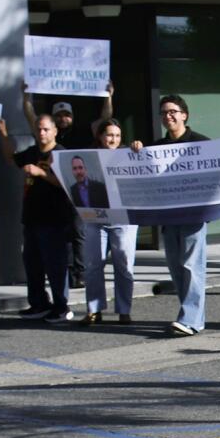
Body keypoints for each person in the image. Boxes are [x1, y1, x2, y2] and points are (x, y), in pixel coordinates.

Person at [131, 94, 220, 336]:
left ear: (184, 115)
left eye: (172, 111)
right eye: (163, 113)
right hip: (169, 218)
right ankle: (192, 315)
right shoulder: (156, 148)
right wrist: (136, 151)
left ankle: (190, 319)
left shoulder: (202, 144)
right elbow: (140, 173)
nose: (168, 116)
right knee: (176, 267)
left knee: (192, 265)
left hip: (194, 216)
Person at [23, 82, 115, 288]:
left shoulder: (82, 133)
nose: (64, 118)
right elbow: (31, 118)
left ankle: (80, 273)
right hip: (56, 190)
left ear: (72, 117)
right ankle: (66, 270)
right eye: (59, 115)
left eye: (67, 115)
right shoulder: (48, 135)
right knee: (62, 233)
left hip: (79, 187)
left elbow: (104, 120)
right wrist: (26, 96)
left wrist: (108, 97)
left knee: (79, 231)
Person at [1, 114, 75, 324]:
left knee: (55, 264)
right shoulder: (32, 153)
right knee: (32, 264)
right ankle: (39, 303)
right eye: (38, 129)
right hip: (32, 217)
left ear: (54, 131)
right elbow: (10, 158)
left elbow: (68, 184)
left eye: (45, 129)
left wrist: (41, 174)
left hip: (54, 218)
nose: (41, 133)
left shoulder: (61, 154)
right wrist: (4, 134)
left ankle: (62, 306)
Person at [79, 119, 136, 326]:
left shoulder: (128, 155)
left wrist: (137, 150)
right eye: (109, 135)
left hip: (123, 218)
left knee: (123, 264)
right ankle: (94, 310)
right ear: (100, 136)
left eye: (117, 135)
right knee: (93, 265)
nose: (113, 139)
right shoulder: (89, 156)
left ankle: (124, 310)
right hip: (96, 218)